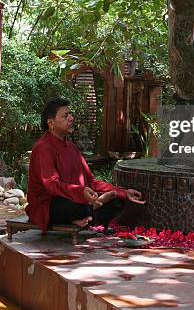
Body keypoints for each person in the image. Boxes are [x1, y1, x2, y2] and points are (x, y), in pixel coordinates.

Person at [27, 98, 145, 233]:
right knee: (74, 206)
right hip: (49, 205)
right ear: (51, 123)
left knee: (118, 201)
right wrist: (80, 193)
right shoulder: (43, 148)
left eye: (70, 114)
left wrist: (123, 192)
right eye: (65, 116)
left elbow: (91, 182)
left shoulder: (71, 147)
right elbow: (52, 185)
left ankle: (85, 214)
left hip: (77, 200)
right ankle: (89, 210)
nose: (71, 118)